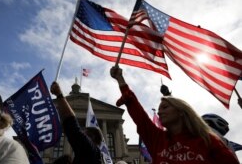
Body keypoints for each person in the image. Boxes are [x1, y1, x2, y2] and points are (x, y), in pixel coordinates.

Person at [110, 66, 239, 164]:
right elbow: (140, 117)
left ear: (181, 112)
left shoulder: (207, 140)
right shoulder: (158, 140)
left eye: (165, 107)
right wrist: (120, 79)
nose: (159, 112)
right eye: (159, 109)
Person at [50, 81, 103, 164]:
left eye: (84, 135)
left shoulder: (91, 150)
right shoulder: (88, 156)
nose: (82, 136)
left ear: (91, 138)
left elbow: (73, 130)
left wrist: (59, 95)